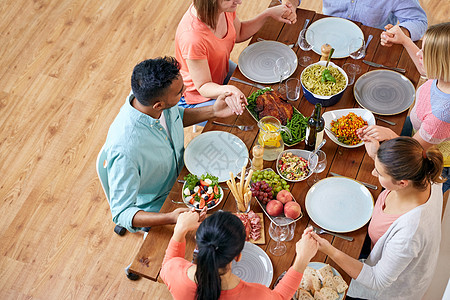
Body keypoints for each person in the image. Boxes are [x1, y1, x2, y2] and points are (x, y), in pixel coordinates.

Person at [103, 56, 246, 232]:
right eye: (180, 92)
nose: (186, 89)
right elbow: (121, 212)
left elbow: (176, 117)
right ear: (158, 105)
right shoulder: (126, 150)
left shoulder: (150, 101)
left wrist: (213, 111)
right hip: (163, 206)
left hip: (187, 174)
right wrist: (170, 217)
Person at [309, 137, 444, 300]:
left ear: (402, 183)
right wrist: (378, 156)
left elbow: (376, 280)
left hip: (392, 287)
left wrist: (328, 249)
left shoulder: (409, 233)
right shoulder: (424, 173)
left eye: (379, 172)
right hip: (383, 250)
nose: (373, 173)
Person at [359, 22, 450, 195]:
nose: (418, 53)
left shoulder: (442, 115)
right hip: (419, 129)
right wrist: (405, 40)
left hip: (431, 157)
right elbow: (425, 70)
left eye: (425, 52)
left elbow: (413, 153)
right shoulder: (443, 76)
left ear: (441, 63)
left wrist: (391, 137)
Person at [160, 210, 318, 300]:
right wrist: (302, 259)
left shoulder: (175, 273)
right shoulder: (256, 295)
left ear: (199, 245)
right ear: (237, 257)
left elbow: (169, 264)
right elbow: (281, 297)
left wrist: (179, 230)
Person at [175, 0, 296, 109]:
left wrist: (268, 14)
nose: (239, 2)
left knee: (265, 90)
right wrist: (229, 89)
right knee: (251, 111)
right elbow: (203, 86)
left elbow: (239, 32)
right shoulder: (192, 38)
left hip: (220, 72)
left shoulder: (223, 9)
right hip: (197, 97)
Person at [282, 0, 427, 43]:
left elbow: (418, 21)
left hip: (369, 43)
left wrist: (402, 32)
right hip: (326, 35)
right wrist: (291, 3)